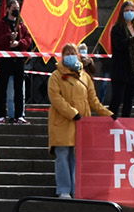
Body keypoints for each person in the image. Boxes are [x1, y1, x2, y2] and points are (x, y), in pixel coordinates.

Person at [48, 43, 113, 198]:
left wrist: (108, 114)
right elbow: (56, 98)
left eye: (73, 52)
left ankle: (75, 189)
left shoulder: (85, 76)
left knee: (76, 157)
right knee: (63, 156)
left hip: (81, 123)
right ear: (62, 56)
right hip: (62, 122)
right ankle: (64, 190)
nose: (70, 55)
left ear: (78, 55)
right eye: (67, 53)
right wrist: (73, 113)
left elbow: (93, 100)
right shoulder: (55, 76)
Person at [0, 0, 33, 123]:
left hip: (18, 60)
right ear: (8, 9)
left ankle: (19, 115)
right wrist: (9, 37)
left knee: (19, 89)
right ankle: (1, 115)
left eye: (18, 9)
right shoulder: (0, 23)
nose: (16, 11)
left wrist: (19, 43)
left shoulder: (21, 25)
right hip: (5, 60)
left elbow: (28, 40)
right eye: (14, 8)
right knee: (2, 88)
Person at [108, 0, 134, 118]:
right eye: (127, 10)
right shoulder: (117, 29)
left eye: (132, 10)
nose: (129, 13)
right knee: (117, 99)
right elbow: (119, 45)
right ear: (122, 12)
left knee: (129, 101)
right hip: (120, 70)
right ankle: (110, 123)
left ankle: (125, 123)